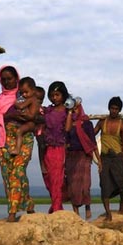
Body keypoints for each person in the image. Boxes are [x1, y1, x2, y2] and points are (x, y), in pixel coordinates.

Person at [0, 67, 36, 222]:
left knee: (18, 171)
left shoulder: (25, 94)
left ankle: (12, 212)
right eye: (4, 79)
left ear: (17, 78)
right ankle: (28, 205)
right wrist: (8, 115)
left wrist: (26, 118)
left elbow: (39, 115)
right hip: (6, 138)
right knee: (8, 176)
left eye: (10, 78)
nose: (7, 82)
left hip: (25, 136)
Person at [94, 96, 123, 221]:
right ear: (109, 108)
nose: (114, 111)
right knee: (104, 185)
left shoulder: (122, 124)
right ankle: (108, 213)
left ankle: (121, 204)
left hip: (118, 157)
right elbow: (91, 134)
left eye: (116, 109)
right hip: (105, 158)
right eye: (112, 108)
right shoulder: (102, 122)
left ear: (119, 110)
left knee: (122, 184)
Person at [40, 81, 70, 213]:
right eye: (52, 95)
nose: (54, 98)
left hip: (59, 148)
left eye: (57, 95)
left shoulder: (66, 111)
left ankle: (57, 208)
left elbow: (68, 128)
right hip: (46, 148)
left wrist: (70, 113)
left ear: (63, 95)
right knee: (48, 178)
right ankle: (56, 205)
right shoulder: (48, 110)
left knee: (57, 178)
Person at [64, 102, 97, 219]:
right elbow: (66, 141)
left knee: (85, 184)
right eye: (72, 110)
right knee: (73, 185)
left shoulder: (87, 124)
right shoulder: (68, 124)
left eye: (76, 109)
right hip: (71, 156)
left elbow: (92, 142)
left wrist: (98, 160)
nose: (75, 112)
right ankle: (76, 211)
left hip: (84, 155)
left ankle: (88, 208)